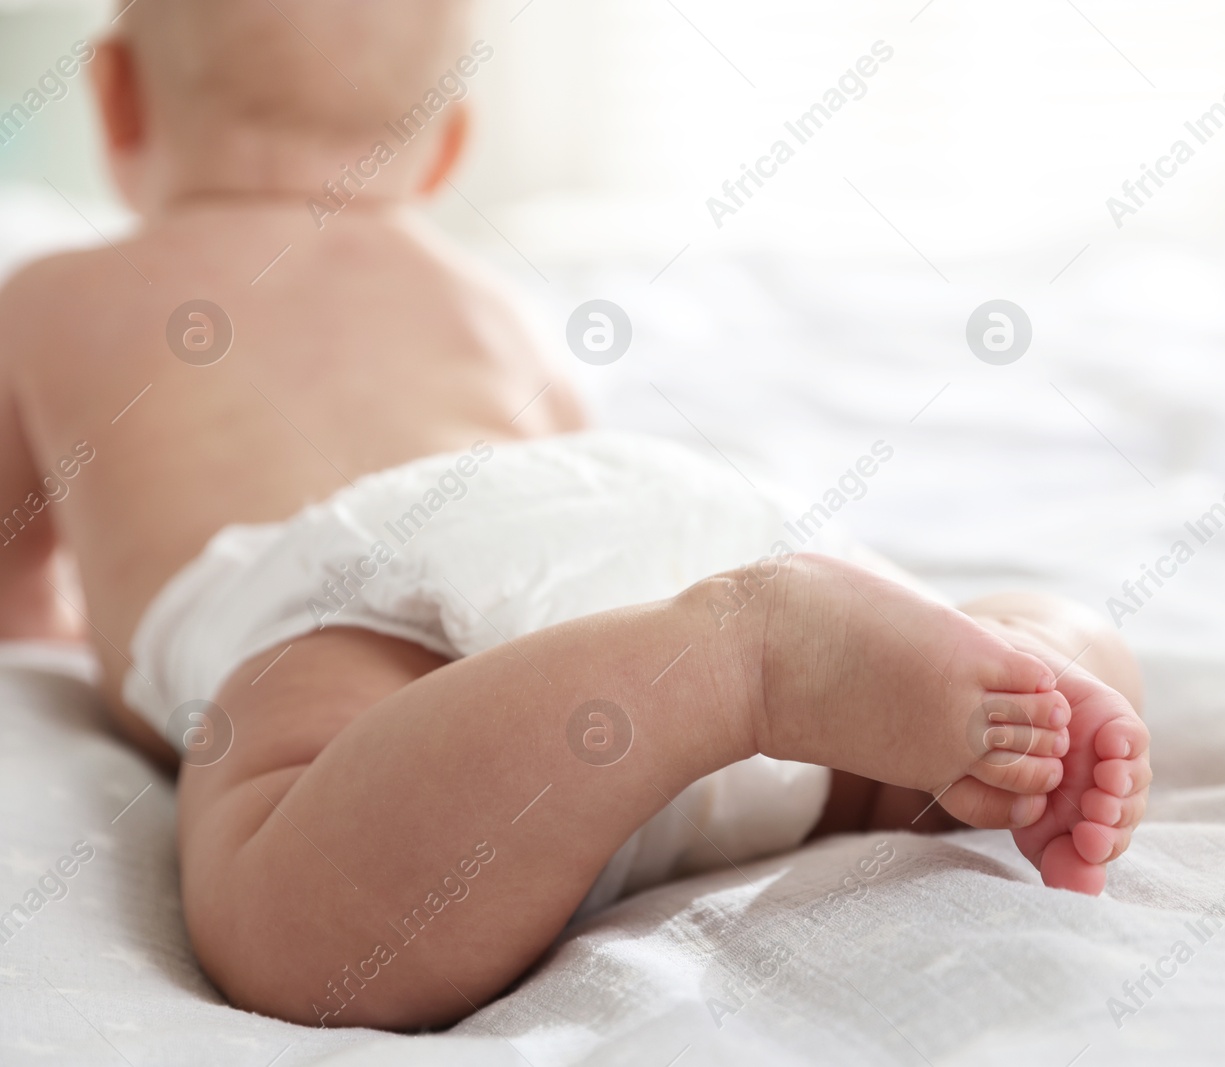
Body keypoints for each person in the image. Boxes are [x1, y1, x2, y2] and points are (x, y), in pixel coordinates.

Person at [0, 0, 1150, 1029]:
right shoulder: (486, 302)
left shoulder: (53, 297)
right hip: (632, 521)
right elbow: (555, 535)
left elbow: (13, 579)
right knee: (851, 763)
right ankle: (1041, 653)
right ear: (449, 141)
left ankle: (742, 662)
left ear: (113, 95)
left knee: (298, 932)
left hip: (361, 594)